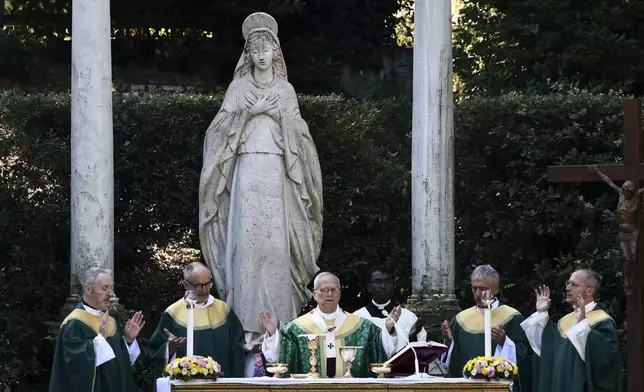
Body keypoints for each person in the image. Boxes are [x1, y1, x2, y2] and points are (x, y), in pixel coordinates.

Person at [198, 11, 323, 347]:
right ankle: (245, 332)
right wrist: (250, 112)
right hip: (246, 175)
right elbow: (218, 133)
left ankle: (280, 332)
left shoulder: (285, 90)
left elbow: (301, 138)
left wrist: (275, 113)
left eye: (266, 47)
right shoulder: (238, 89)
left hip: (278, 176)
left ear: (275, 51)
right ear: (248, 54)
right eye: (255, 49)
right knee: (247, 249)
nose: (261, 54)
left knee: (275, 248)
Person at [260, 272, 395, 377]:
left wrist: (388, 328)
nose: (329, 294)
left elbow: (382, 354)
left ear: (340, 294)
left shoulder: (363, 327)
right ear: (314, 294)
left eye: (334, 290)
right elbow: (276, 360)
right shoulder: (295, 329)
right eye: (324, 290)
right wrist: (273, 333)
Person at [521, 269, 621, 392]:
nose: (568, 288)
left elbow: (606, 361)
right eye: (568, 283)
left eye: (574, 284)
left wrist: (583, 327)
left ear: (589, 290)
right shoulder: (564, 321)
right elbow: (547, 348)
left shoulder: (603, 321)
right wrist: (542, 314)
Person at [49, 268, 145, 392]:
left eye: (111, 288)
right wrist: (100, 340)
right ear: (88, 289)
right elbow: (73, 365)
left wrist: (128, 339)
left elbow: (120, 362)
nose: (110, 293)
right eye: (105, 288)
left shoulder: (110, 321)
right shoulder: (74, 322)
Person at [441, 265, 532, 392]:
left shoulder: (512, 317)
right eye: (474, 288)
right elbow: (453, 364)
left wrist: (505, 342)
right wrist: (450, 342)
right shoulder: (460, 319)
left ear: (496, 289)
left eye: (483, 289)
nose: (478, 294)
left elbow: (525, 356)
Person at [148, 263, 246, 379]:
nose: (205, 290)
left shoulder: (224, 311)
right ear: (186, 284)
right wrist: (170, 348)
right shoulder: (173, 313)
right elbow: (155, 351)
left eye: (208, 284)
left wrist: (246, 349)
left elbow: (236, 346)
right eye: (199, 285)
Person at [354, 265, 426, 355]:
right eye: (377, 282)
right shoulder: (358, 317)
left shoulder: (408, 317)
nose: (383, 286)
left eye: (387, 282)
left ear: (392, 286)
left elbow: (420, 350)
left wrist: (412, 335)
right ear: (369, 287)